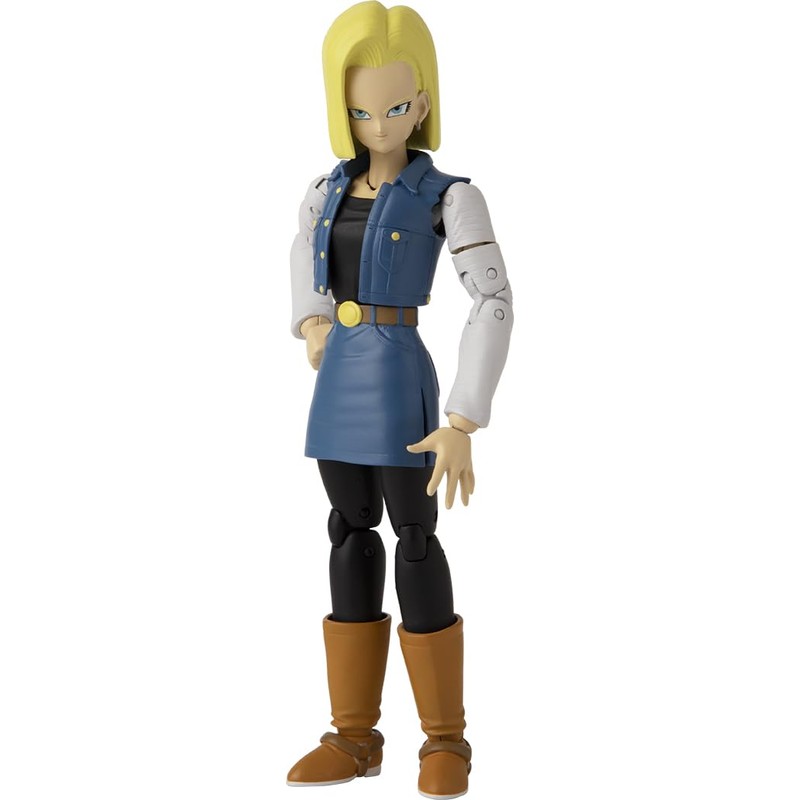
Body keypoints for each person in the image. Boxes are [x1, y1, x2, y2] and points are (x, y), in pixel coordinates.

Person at [287, 3, 512, 797]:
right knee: (348, 531)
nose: (378, 125)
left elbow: (493, 300)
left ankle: (445, 739)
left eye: (394, 106)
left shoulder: (449, 195)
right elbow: (303, 251)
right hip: (338, 375)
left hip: (398, 374)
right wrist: (312, 320)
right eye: (360, 111)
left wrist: (463, 418)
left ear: (423, 102)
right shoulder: (326, 187)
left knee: (415, 540)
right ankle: (354, 736)